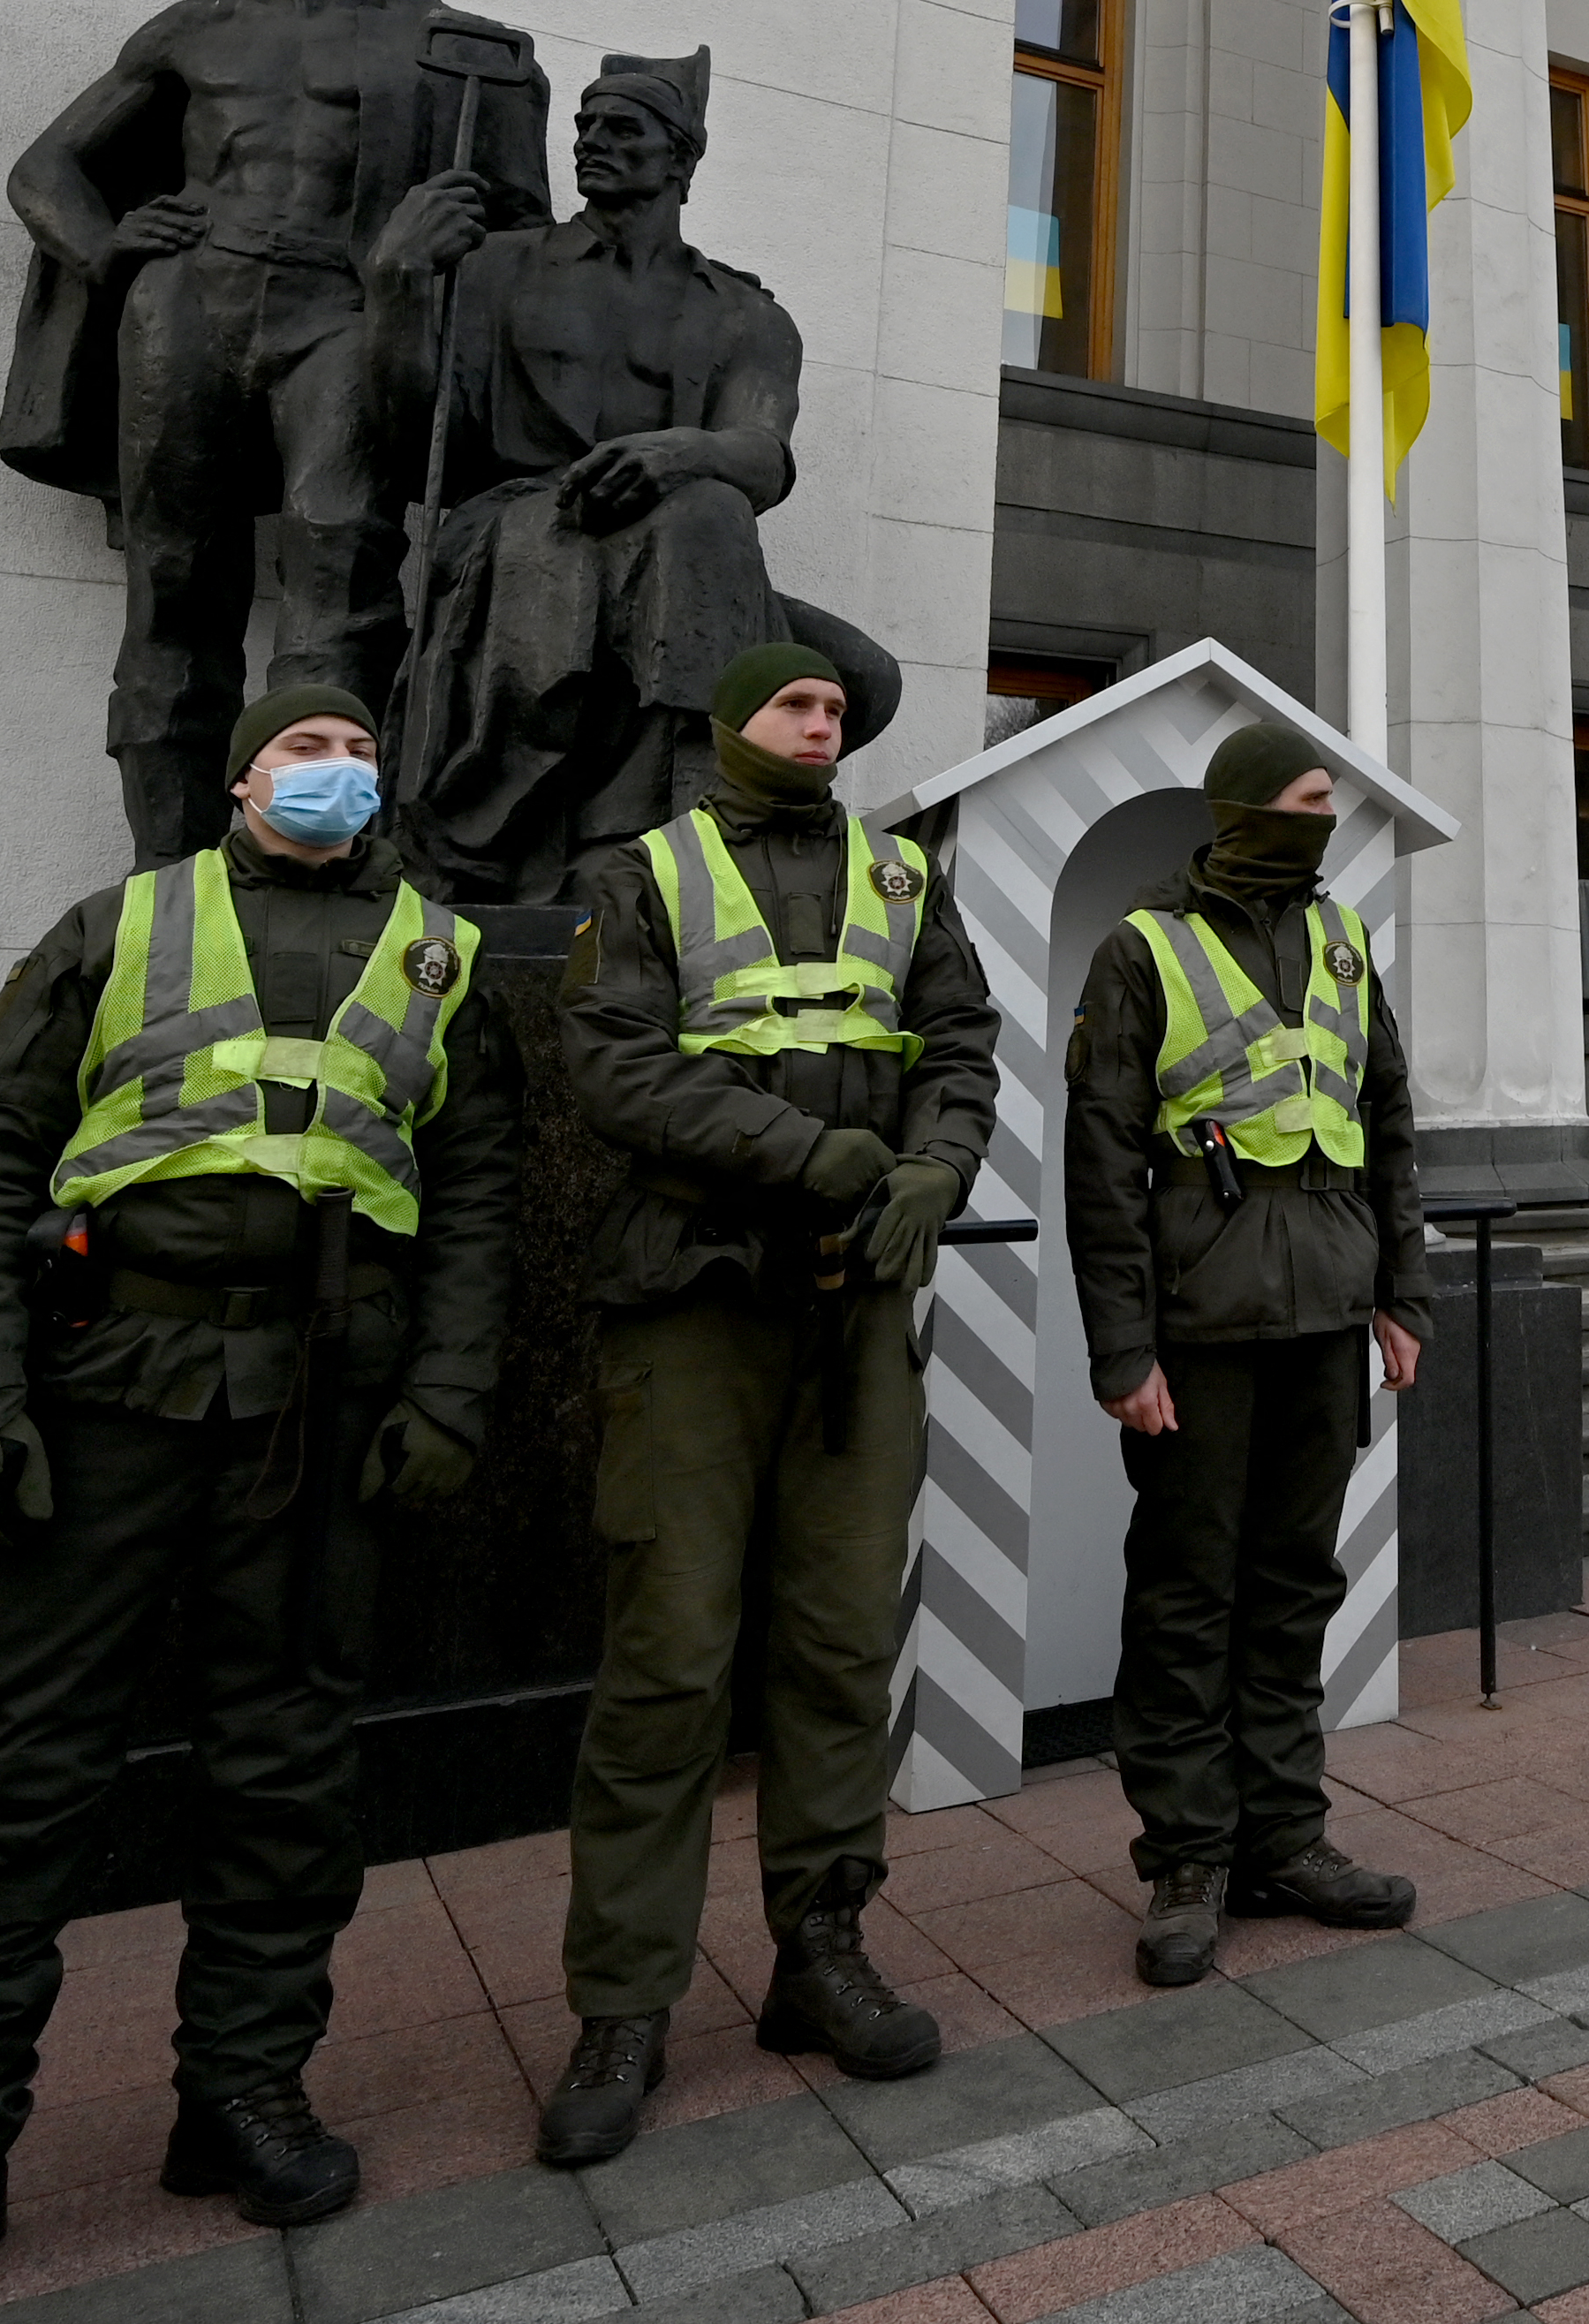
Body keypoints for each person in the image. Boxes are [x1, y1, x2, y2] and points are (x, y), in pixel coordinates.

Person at [0, 689, 514, 2324]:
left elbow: (473, 1199)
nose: (333, 772)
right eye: (299, 746)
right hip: (107, 1397)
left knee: (287, 1769)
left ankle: (239, 2093)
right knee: (9, 1781)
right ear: (244, 774)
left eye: (352, 745)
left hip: (317, 1416)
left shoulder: (437, 951)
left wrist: (448, 1395)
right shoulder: (116, 925)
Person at [536, 640, 1003, 2163]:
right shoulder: (644, 870)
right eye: (796, 707)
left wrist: (936, 1165)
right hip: (691, 1303)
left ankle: (820, 1950)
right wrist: (809, 1155)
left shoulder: (898, 875)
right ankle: (622, 2003)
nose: (823, 726)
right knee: (668, 1659)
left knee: (838, 1645)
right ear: (735, 723)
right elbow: (612, 1070)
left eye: (836, 713)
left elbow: (960, 1045)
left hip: (855, 1314)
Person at [0, 0, 552, 856]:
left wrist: (441, 252)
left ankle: (314, 861)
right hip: (189, 306)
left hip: (344, 312)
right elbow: (43, 169)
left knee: (341, 572)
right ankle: (168, 871)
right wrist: (107, 245)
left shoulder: (453, 52)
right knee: (174, 587)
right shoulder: (199, 30)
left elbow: (521, 231)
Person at [1064, 722, 1433, 1989]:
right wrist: (1123, 1348)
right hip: (1198, 1332)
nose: (1326, 817)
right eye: (1311, 797)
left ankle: (1286, 1837)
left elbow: (1388, 1124)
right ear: (1247, 808)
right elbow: (1101, 1166)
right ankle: (1185, 1858)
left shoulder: (1342, 942)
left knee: (1292, 1588)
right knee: (1184, 1597)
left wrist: (1406, 1297)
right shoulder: (1141, 949)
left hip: (1329, 1322)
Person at [368, 47, 897, 899]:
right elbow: (416, 437)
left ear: (681, 158)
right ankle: (677, 832)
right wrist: (398, 286)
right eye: (583, 126)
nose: (589, 142)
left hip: (674, 557)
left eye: (621, 127)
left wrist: (676, 453)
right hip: (520, 527)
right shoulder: (496, 267)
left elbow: (761, 453)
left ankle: (646, 817)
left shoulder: (745, 314)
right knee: (707, 519)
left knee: (860, 672)